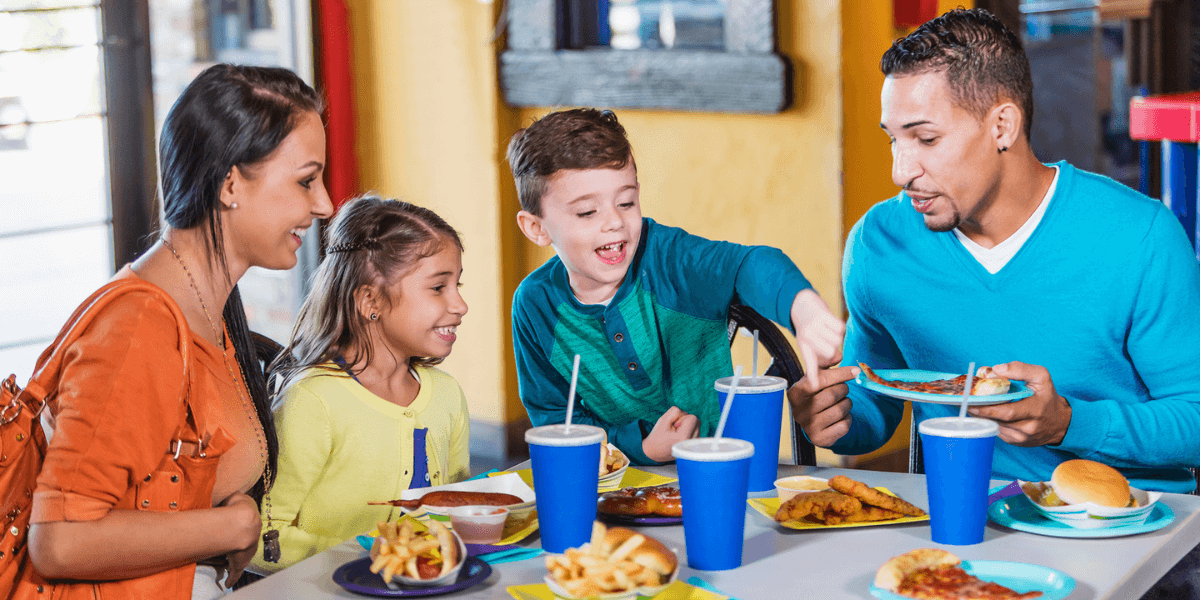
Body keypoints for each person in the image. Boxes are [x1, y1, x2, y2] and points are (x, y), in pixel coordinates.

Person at [791, 8, 1200, 495]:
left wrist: (1069, 424)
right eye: (893, 140)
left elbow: (1193, 420)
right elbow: (873, 407)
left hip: (1126, 530)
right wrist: (833, 417)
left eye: (925, 138)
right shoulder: (878, 244)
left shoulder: (1140, 236)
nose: (901, 172)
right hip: (956, 525)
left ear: (1002, 126)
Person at [17, 64, 334, 600]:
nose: (324, 204)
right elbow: (59, 540)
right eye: (306, 180)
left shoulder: (209, 306)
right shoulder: (140, 327)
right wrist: (231, 527)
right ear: (231, 183)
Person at [507, 108, 846, 466]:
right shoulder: (535, 305)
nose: (615, 223)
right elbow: (556, 422)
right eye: (587, 212)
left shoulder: (670, 260)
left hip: (713, 472)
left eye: (626, 202)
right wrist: (643, 447)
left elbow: (749, 264)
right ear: (536, 228)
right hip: (602, 492)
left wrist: (804, 310)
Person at [249, 194, 470, 573]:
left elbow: (457, 506)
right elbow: (259, 539)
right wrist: (364, 559)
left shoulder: (447, 394)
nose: (460, 305)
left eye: (458, 285)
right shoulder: (313, 402)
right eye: (438, 288)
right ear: (371, 300)